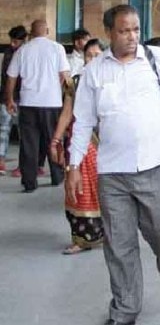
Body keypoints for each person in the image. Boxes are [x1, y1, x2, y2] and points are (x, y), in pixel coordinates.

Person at [68, 4, 160, 325]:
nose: (132, 36)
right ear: (109, 32)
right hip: (113, 174)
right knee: (119, 245)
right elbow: (83, 121)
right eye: (124, 30)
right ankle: (125, 309)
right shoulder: (95, 71)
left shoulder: (157, 59)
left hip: (158, 166)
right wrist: (73, 166)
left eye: (136, 29)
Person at [48, 38, 105, 255]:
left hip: (109, 145)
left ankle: (104, 234)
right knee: (79, 189)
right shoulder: (76, 81)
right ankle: (82, 238)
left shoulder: (113, 80)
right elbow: (67, 112)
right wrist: (55, 140)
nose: (93, 60)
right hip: (81, 144)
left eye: (97, 55)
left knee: (106, 191)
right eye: (89, 56)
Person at [5, 19, 70, 192]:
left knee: (29, 144)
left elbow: (11, 77)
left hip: (28, 103)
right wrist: (64, 95)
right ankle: (57, 176)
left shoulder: (23, 50)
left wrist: (9, 99)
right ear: (47, 30)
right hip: (52, 103)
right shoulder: (58, 48)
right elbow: (65, 75)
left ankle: (29, 182)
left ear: (31, 33)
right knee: (53, 140)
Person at [0, 24, 27, 176]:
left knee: (24, 133)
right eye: (11, 41)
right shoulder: (9, 53)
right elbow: (5, 77)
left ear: (24, 40)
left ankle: (23, 164)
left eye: (15, 41)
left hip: (24, 98)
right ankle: (1, 160)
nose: (12, 44)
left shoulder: (27, 53)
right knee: (4, 130)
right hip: (7, 97)